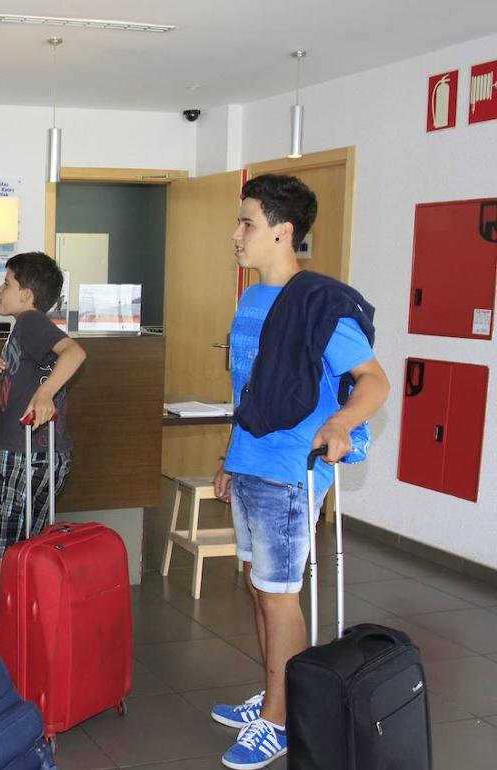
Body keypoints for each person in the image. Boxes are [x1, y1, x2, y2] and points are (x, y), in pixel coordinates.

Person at [209, 174, 389, 770]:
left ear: (282, 232)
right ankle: (275, 693)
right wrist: (228, 458)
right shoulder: (250, 298)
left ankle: (282, 721)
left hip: (290, 469)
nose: (236, 234)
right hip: (251, 460)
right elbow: (249, 389)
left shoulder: (319, 303)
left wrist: (340, 425)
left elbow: (373, 380)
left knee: (281, 596)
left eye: (247, 224)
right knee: (260, 589)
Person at [0, 252, 86, 585]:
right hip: (41, 452)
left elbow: (76, 352)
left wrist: (45, 393)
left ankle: (14, 629)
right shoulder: (23, 332)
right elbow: (8, 405)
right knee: (27, 548)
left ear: (27, 294)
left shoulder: (30, 322)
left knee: (8, 552)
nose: (0, 289)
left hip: (24, 455)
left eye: (7, 283)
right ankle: (28, 622)